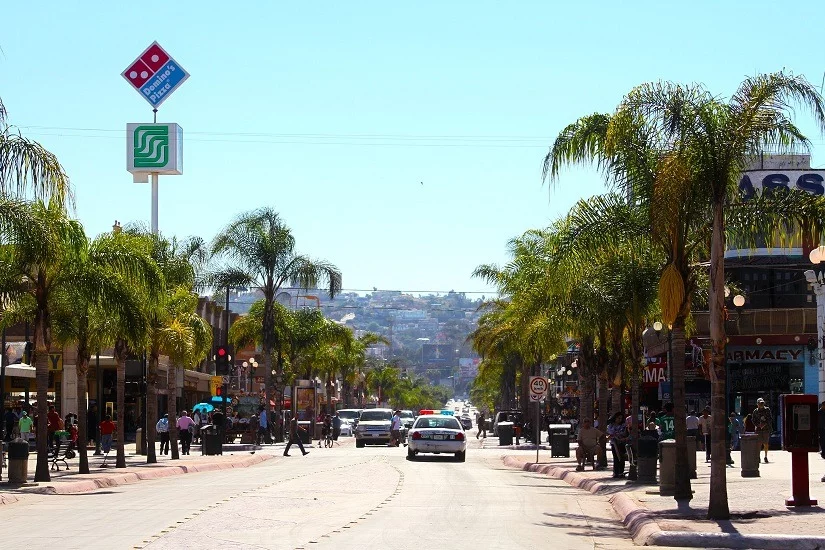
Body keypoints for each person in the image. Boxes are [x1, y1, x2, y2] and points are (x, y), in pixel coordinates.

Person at [607, 412, 628, 478]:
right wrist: (615, 435)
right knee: (615, 458)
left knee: (621, 458)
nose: (620, 420)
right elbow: (610, 432)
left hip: (621, 443)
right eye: (618, 418)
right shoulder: (611, 425)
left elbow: (623, 433)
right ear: (615, 418)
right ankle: (616, 472)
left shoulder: (623, 425)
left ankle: (621, 472)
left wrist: (617, 435)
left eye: (621, 418)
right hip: (614, 443)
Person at [752, 397, 772, 463]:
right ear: (757, 404)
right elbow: (753, 420)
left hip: (766, 429)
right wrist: (758, 425)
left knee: (766, 443)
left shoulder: (767, 410)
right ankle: (758, 457)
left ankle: (765, 456)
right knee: (758, 444)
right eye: (760, 403)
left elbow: (770, 418)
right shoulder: (755, 411)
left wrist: (765, 423)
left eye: (762, 403)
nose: (761, 404)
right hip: (758, 430)